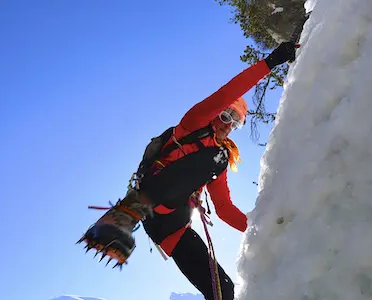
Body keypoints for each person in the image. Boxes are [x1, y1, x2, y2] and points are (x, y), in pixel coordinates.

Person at [78, 41, 299, 300]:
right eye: (226, 116)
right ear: (216, 113)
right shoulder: (192, 125)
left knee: (223, 291)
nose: (227, 125)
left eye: (235, 123)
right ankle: (126, 213)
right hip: (155, 191)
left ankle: (132, 212)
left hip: (171, 226)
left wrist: (259, 228)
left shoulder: (219, 157)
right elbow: (228, 92)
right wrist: (270, 62)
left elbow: (224, 208)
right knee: (217, 157)